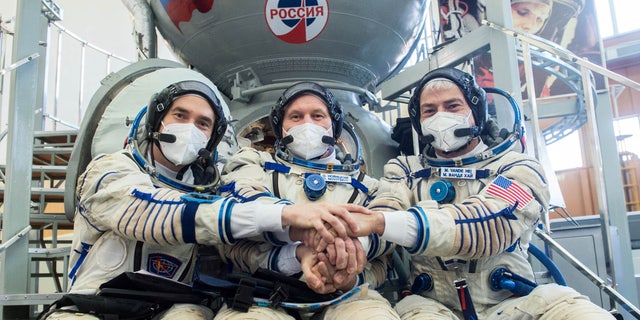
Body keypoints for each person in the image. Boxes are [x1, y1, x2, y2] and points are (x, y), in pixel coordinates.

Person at [42, 80, 368, 320]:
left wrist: (304, 239)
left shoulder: (213, 187)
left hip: (176, 307)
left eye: (202, 123)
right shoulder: (110, 170)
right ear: (158, 123)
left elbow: (252, 202)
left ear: (210, 138)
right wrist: (291, 218)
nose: (190, 128)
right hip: (95, 304)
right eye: (180, 116)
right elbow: (148, 211)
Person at [355, 67, 616, 319]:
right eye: (429, 111)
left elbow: (492, 221)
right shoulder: (405, 170)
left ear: (475, 111)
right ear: (419, 122)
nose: (440, 116)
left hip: (513, 301)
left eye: (453, 106)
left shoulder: (514, 167)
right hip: (431, 306)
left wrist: (386, 223)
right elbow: (386, 210)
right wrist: (356, 245)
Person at [215, 81, 399, 319]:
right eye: (296, 116)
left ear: (334, 127)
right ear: (281, 127)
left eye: (318, 115)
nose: (307, 124)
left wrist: (347, 271)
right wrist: (295, 251)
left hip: (348, 295)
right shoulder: (254, 165)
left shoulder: (370, 187)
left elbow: (385, 247)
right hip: (262, 294)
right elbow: (236, 221)